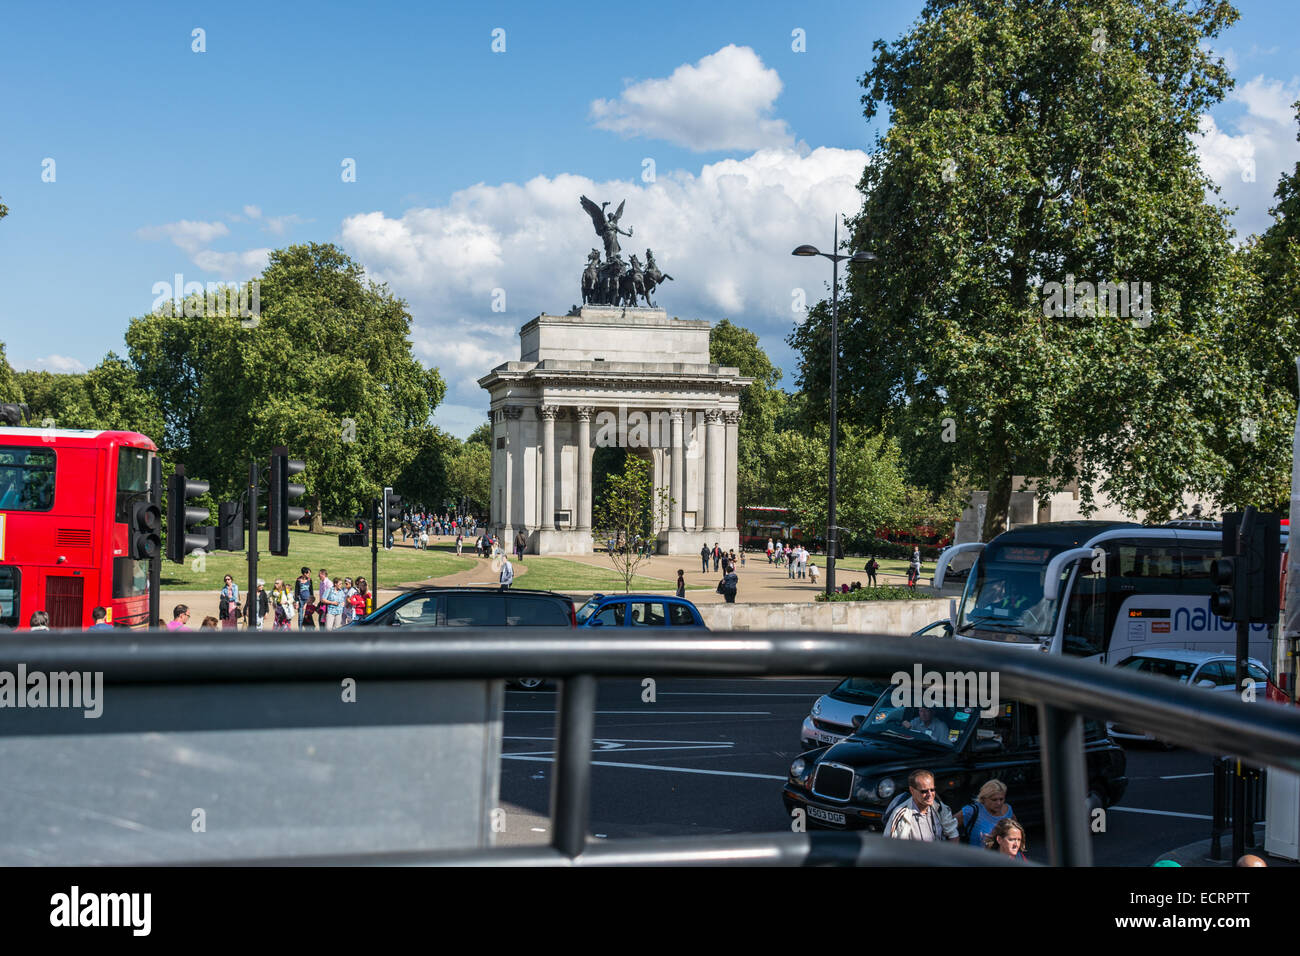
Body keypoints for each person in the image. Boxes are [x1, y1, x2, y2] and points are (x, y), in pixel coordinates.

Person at [885, 770, 957, 841]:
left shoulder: (939, 807)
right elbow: (889, 845)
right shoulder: (901, 814)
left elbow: (953, 835)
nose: (930, 795)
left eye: (932, 790)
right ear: (912, 790)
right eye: (924, 791)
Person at [959, 779, 1015, 846]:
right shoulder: (971, 811)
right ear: (983, 798)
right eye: (994, 800)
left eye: (1001, 799)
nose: (999, 803)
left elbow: (1017, 832)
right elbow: (948, 827)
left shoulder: (1008, 810)